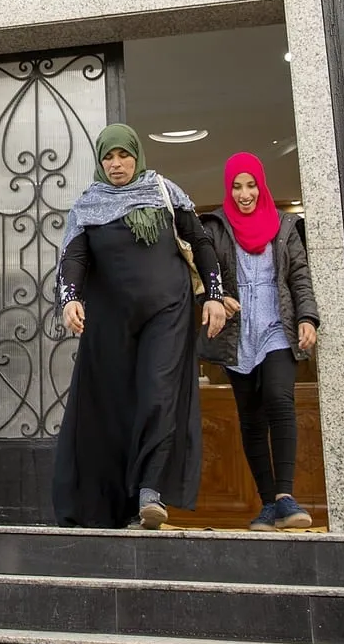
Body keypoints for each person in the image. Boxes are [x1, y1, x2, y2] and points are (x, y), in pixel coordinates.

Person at [53, 124, 227, 530]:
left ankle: (151, 491)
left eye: (123, 155)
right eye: (108, 157)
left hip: (168, 311)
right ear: (100, 161)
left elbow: (201, 243)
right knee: (116, 407)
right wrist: (70, 298)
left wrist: (214, 295)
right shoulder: (88, 205)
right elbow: (73, 259)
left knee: (157, 393)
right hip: (111, 321)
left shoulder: (164, 192)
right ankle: (121, 503)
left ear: (137, 155)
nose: (116, 165)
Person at [199, 151, 321, 532]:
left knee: (279, 400)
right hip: (239, 335)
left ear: (261, 185)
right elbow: (202, 273)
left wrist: (307, 316)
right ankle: (268, 504)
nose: (244, 193)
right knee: (250, 419)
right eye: (237, 186)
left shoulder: (285, 227)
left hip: (276, 328)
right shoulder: (216, 228)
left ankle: (285, 496)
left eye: (251, 185)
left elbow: (299, 275)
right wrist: (215, 296)